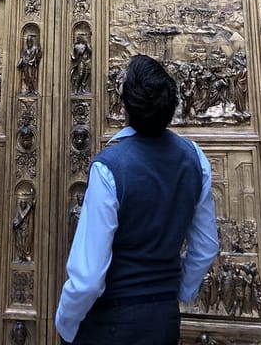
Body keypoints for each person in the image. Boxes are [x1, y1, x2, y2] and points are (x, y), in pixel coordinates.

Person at [55, 54, 219, 345]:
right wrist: (181, 291)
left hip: (112, 323)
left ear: (124, 108)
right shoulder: (195, 159)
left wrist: (66, 323)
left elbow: (89, 277)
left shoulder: (110, 167)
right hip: (164, 321)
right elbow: (205, 247)